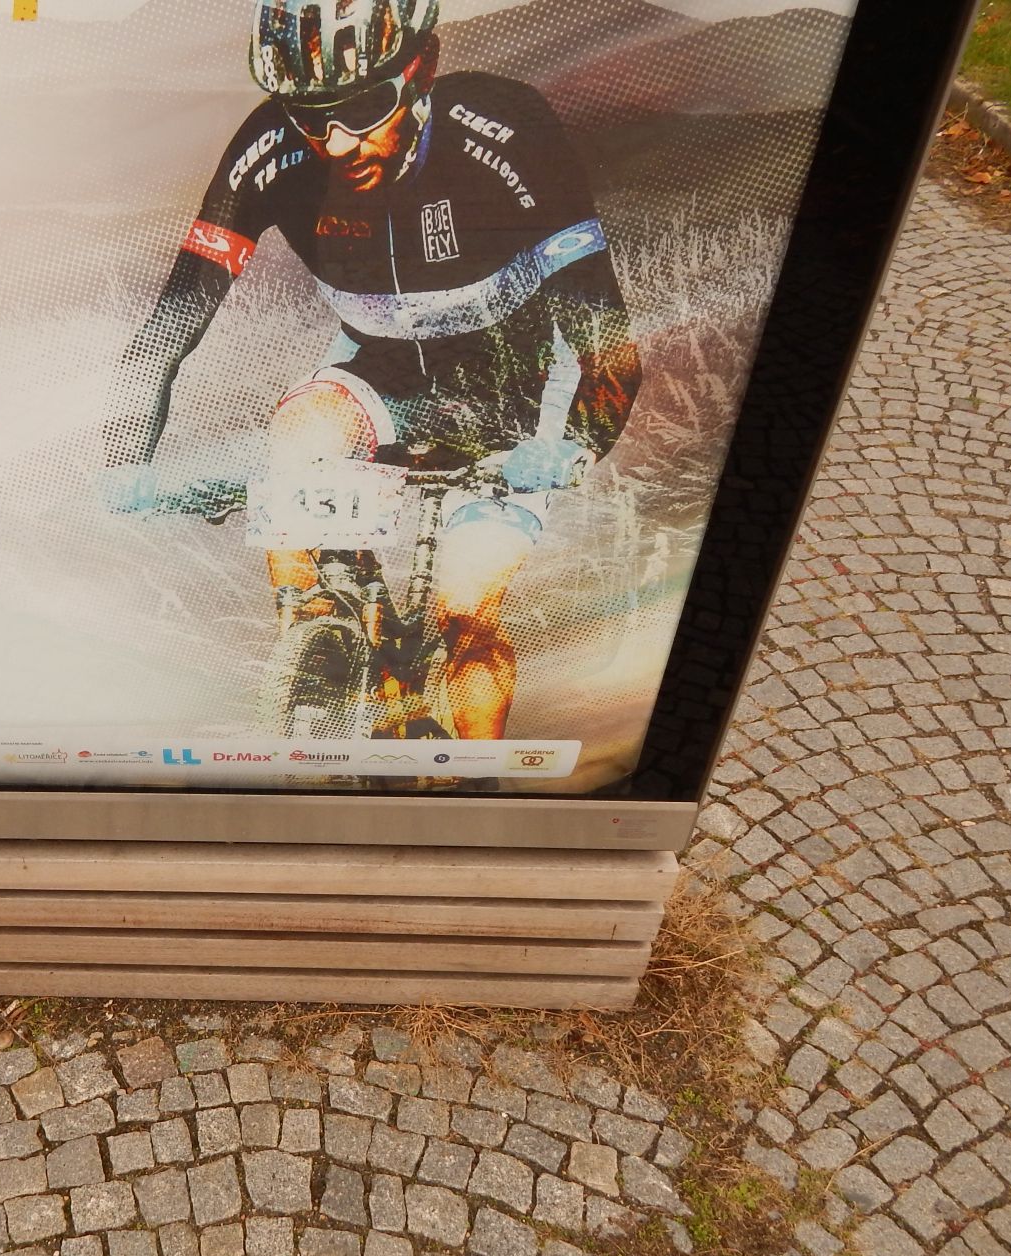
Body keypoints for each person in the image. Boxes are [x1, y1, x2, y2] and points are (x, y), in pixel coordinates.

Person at [103, 0, 641, 739]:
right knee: (298, 442)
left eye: (361, 108)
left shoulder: (506, 129)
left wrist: (574, 444)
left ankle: (473, 785)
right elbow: (169, 329)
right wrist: (124, 460)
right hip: (380, 369)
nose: (335, 140)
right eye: (310, 114)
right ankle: (327, 642)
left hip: (513, 386)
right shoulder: (270, 143)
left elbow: (607, 341)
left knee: (464, 613)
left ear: (421, 70)